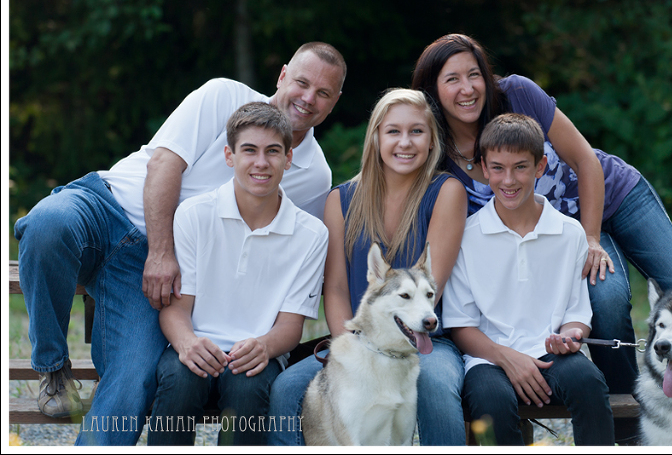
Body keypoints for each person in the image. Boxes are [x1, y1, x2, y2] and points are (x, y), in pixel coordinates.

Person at [13, 42, 345, 445]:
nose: (308, 98)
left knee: (133, 383)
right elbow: (164, 163)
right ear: (282, 75)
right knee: (47, 224)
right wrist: (161, 251)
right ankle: (52, 367)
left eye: (323, 93)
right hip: (106, 208)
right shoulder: (224, 95)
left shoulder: (314, 175)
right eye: (302, 83)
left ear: (335, 101)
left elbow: (286, 242)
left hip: (155, 268)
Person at [411, 33, 672, 443]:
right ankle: (629, 428)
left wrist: (591, 237)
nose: (467, 88)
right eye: (452, 79)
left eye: (474, 74)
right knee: (606, 299)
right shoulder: (436, 153)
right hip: (554, 228)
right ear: (432, 90)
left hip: (609, 195)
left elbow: (585, 159)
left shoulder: (517, 94)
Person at [267, 88, 468, 446]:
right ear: (375, 137)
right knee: (287, 388)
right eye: (393, 131)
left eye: (416, 131)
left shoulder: (446, 191)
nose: (405, 142)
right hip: (358, 342)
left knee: (436, 386)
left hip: (426, 342)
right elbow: (336, 288)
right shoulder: (341, 199)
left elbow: (431, 287)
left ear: (431, 140)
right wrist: (349, 349)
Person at [147, 102, 328, 445]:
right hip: (196, 341)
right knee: (181, 381)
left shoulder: (311, 234)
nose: (261, 162)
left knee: (247, 391)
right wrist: (187, 343)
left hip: (259, 351)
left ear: (288, 159)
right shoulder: (194, 214)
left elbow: (290, 327)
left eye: (272, 151)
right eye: (249, 150)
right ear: (229, 156)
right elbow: (176, 309)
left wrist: (264, 345)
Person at [442, 113, 614, 445]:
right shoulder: (466, 236)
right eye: (498, 168)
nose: (508, 180)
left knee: (588, 381)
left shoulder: (569, 233)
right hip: (488, 359)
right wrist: (507, 358)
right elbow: (461, 326)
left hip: (550, 354)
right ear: (483, 167)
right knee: (491, 402)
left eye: (520, 167)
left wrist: (570, 336)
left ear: (540, 166)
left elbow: (576, 313)